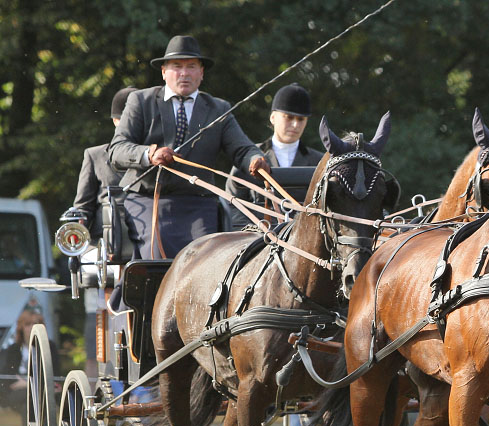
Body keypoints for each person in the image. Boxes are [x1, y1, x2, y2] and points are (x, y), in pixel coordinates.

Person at [108, 35, 269, 259]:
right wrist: (149, 154)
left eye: (191, 66)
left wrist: (255, 159)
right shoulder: (140, 101)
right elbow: (117, 149)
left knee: (208, 260)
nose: (184, 73)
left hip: (199, 203)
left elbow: (242, 149)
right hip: (148, 201)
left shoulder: (218, 109)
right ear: (164, 71)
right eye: (177, 66)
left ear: (201, 73)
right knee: (156, 259)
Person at [73, 86, 137, 374]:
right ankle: (98, 373)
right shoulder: (96, 156)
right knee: (98, 303)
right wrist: (81, 238)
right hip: (105, 250)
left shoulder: (153, 156)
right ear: (116, 121)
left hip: (143, 245)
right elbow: (82, 208)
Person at [226, 83, 325, 229]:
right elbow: (232, 202)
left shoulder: (320, 162)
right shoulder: (249, 156)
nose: (295, 125)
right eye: (289, 117)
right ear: (273, 117)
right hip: (257, 237)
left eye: (301, 119)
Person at [1, 307, 58, 426]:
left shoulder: (50, 347)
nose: (32, 327)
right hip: (17, 394)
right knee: (31, 399)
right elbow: (7, 379)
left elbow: (55, 374)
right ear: (21, 327)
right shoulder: (14, 349)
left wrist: (27, 383)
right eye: (28, 324)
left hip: (40, 391)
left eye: (35, 324)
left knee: (29, 404)